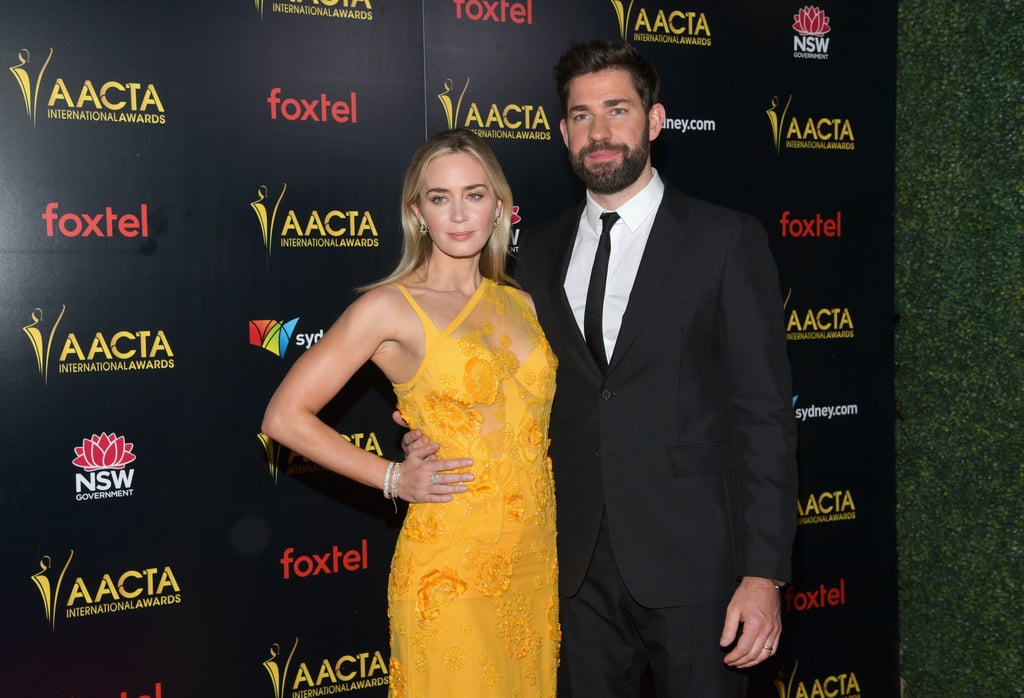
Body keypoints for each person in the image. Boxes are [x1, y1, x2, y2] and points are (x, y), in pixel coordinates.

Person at [404, 40, 798, 697]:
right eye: (581, 116)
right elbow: (508, 390)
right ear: (562, 133)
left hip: (698, 566)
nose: (600, 131)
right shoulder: (537, 254)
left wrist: (763, 575)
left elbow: (764, 416)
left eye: (617, 109)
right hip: (570, 562)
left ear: (655, 121)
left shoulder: (725, 241)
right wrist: (434, 433)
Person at [261, 129, 560, 697]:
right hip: (451, 566)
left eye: (474, 194)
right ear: (417, 212)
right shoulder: (390, 307)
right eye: (439, 197)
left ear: (499, 204)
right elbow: (284, 417)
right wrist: (394, 476)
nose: (459, 213)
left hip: (534, 556)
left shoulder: (518, 302)